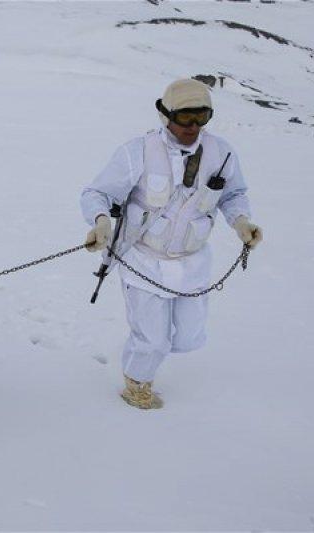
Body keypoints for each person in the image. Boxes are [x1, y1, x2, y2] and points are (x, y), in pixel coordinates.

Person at [81, 78, 263, 409]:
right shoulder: (138, 151)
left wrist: (241, 223)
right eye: (185, 118)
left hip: (192, 263)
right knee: (153, 339)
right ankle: (137, 383)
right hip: (143, 260)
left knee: (188, 337)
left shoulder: (221, 154)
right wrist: (101, 221)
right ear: (166, 115)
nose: (193, 127)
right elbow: (97, 193)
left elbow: (234, 195)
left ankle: (145, 349)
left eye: (202, 118)